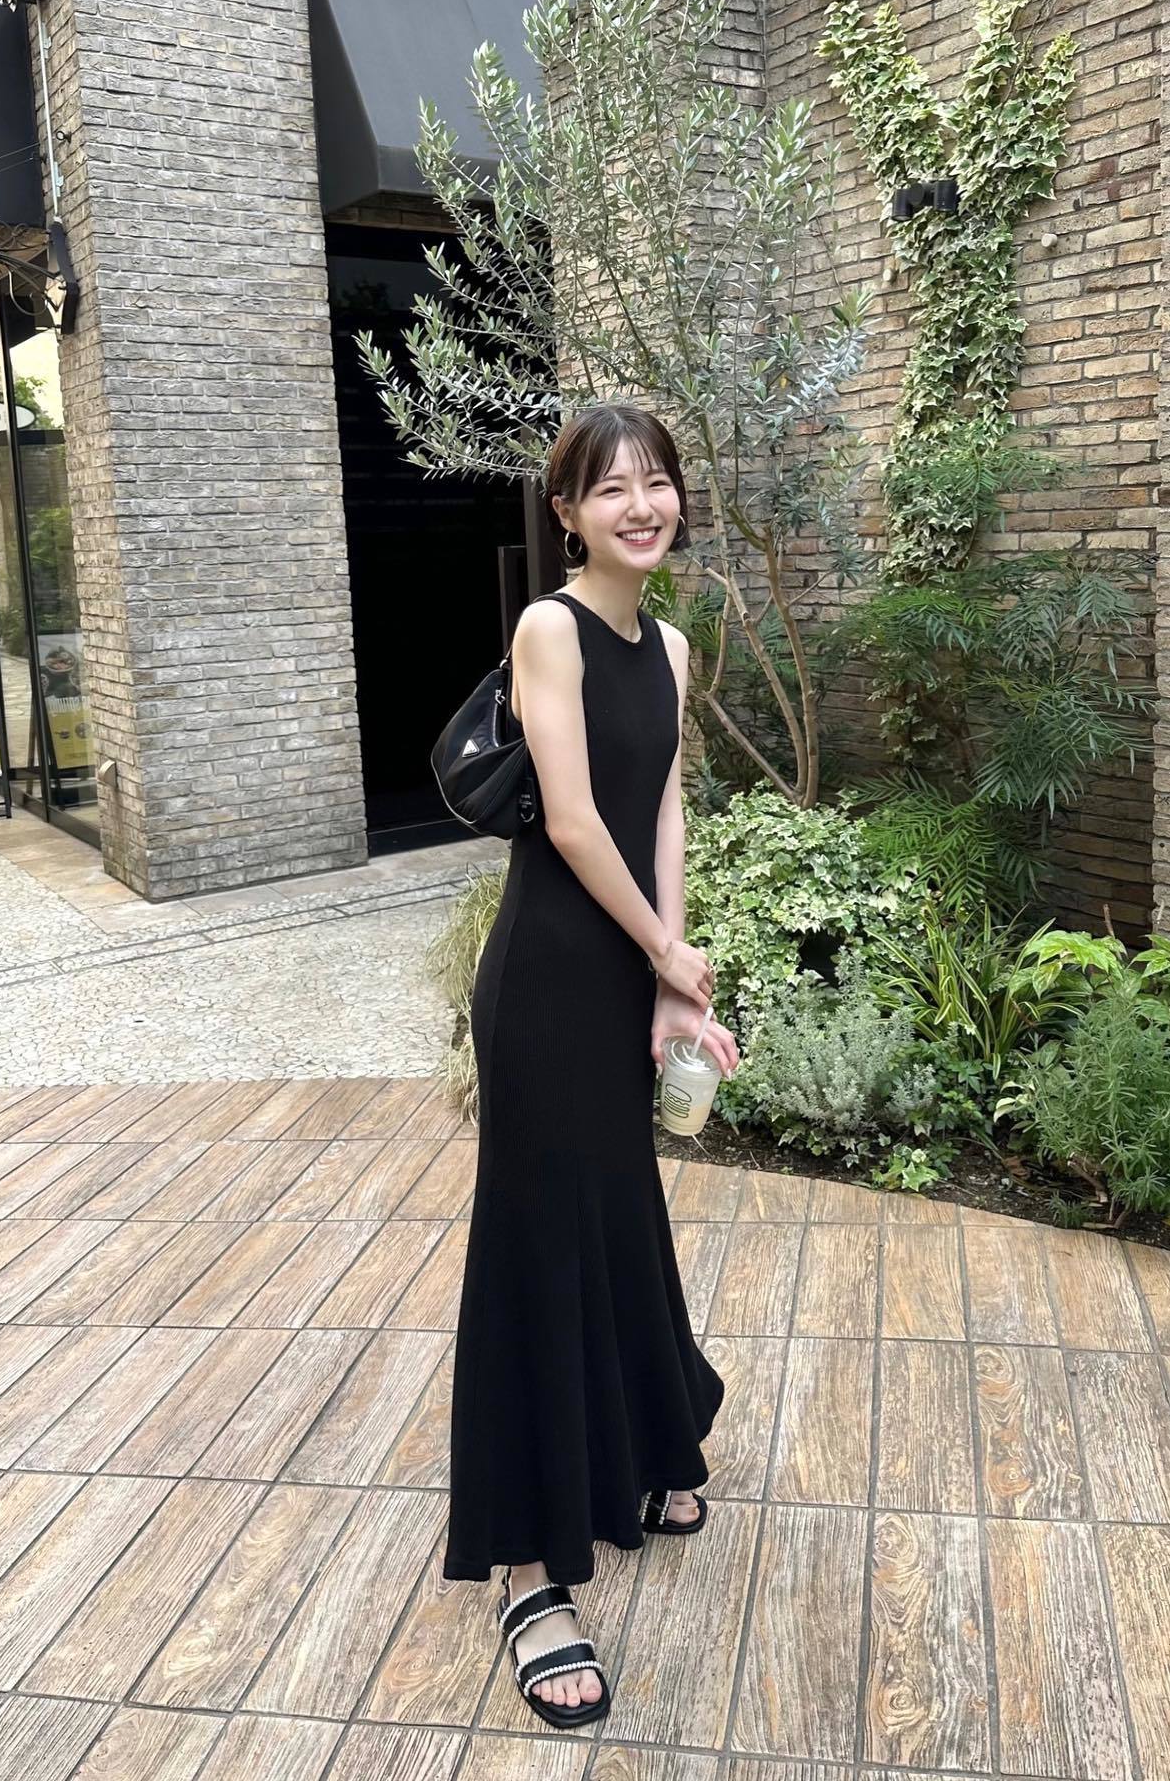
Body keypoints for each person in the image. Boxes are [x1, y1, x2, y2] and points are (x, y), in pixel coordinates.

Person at [441, 402, 741, 1728]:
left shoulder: (667, 645)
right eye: (610, 488)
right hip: (546, 981)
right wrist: (662, 952)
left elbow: (660, 802)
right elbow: (567, 821)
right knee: (537, 1241)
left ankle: (646, 1443)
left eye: (657, 481)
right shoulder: (548, 629)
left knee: (620, 1214)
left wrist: (668, 972)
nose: (641, 505)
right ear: (566, 512)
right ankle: (527, 1571)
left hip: (621, 968)